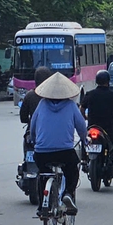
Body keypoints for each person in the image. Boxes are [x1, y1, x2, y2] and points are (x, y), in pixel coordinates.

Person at [29, 72, 87, 216]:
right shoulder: (71, 105)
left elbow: (33, 126)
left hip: (42, 152)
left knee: (43, 174)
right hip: (65, 152)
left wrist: (35, 141)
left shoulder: (42, 104)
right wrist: (85, 140)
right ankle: (67, 193)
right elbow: (81, 127)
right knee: (72, 169)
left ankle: (42, 206)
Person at [80, 70, 113, 173]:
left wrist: (85, 117)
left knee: (84, 139)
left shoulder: (90, 94)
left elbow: (81, 109)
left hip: (92, 126)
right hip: (108, 129)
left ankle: (84, 160)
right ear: (108, 81)